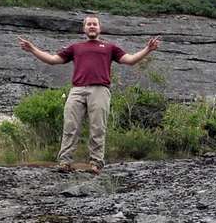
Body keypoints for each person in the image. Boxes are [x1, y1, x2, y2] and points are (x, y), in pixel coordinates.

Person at [18, 15, 161, 174]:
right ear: (84, 28)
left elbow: (131, 60)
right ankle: (65, 162)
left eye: (95, 24)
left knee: (98, 127)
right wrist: (32, 49)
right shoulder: (75, 47)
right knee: (70, 126)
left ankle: (96, 164)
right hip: (77, 90)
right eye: (89, 24)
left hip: (100, 90)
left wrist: (148, 49)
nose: (92, 26)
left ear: (100, 28)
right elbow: (52, 60)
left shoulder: (110, 47)